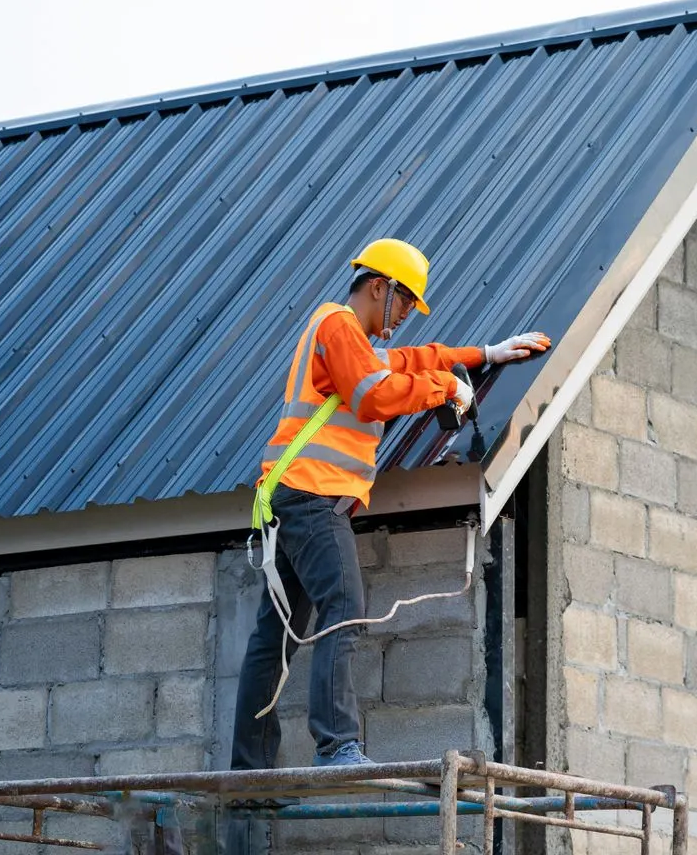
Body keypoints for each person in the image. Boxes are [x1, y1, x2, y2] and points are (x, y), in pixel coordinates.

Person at [229, 238, 550, 777]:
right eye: (404, 303)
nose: (404, 316)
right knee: (345, 606)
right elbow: (374, 394)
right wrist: (443, 388)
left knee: (277, 634)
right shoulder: (336, 325)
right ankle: (336, 745)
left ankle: (249, 773)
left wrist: (485, 355)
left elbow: (414, 358)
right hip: (313, 496)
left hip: (294, 496)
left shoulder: (351, 340)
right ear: (379, 286)